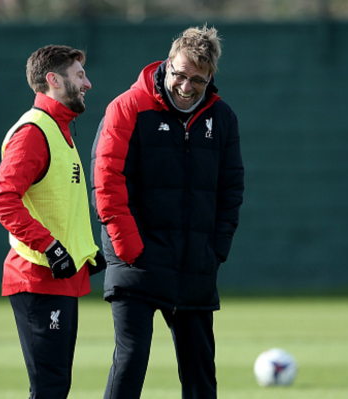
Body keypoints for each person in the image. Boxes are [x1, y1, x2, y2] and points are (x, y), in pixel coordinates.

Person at [91, 25, 244, 399]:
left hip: (194, 264)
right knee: (130, 363)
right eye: (179, 74)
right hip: (136, 260)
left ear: (210, 77)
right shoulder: (128, 107)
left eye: (198, 79)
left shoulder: (222, 118)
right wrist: (130, 250)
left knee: (200, 374)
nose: (187, 86)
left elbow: (231, 189)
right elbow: (107, 182)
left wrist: (215, 250)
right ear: (168, 64)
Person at [0, 44, 106, 399]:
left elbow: (58, 207)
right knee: (50, 388)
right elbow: (2, 200)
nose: (88, 83)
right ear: (53, 80)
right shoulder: (34, 132)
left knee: (55, 386)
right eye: (79, 75)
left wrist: (85, 251)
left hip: (58, 279)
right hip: (37, 277)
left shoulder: (60, 129)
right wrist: (50, 247)